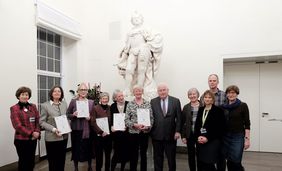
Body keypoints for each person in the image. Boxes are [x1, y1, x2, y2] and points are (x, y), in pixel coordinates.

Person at [117, 11, 163, 100]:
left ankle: (140, 89)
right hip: (132, 51)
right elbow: (127, 46)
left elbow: (154, 38)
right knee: (129, 70)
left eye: (138, 18)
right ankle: (127, 90)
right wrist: (124, 55)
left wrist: (146, 47)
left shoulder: (145, 29)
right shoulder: (130, 32)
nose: (136, 20)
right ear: (132, 21)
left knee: (141, 70)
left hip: (143, 51)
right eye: (134, 19)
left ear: (141, 19)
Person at [150, 83, 182, 171]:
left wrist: (178, 131)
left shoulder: (175, 101)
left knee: (171, 159)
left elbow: (179, 118)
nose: (162, 92)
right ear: (158, 92)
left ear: (168, 90)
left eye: (164, 90)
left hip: (171, 135)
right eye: (160, 90)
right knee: (157, 158)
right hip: (157, 135)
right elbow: (150, 117)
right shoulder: (153, 101)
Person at [10, 86, 41, 171]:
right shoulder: (14, 108)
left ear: (29, 96)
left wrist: (37, 132)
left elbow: (38, 121)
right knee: (23, 162)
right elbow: (17, 125)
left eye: (26, 94)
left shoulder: (33, 106)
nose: (25, 96)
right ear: (18, 96)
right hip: (21, 140)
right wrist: (32, 133)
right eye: (22, 94)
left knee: (31, 162)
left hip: (33, 139)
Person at [200, 74, 226, 171]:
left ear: (217, 82)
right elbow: (202, 111)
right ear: (208, 82)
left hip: (220, 131)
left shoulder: (224, 95)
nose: (212, 82)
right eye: (210, 80)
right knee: (209, 156)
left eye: (214, 80)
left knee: (220, 156)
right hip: (208, 132)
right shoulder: (203, 96)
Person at [194, 90, 225, 171]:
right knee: (201, 162)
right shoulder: (201, 110)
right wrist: (198, 136)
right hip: (200, 140)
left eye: (209, 97)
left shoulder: (218, 111)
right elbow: (197, 125)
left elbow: (220, 128)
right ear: (203, 99)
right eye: (206, 97)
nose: (207, 99)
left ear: (213, 99)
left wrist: (207, 138)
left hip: (212, 140)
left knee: (209, 162)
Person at [125, 85, 154, 171]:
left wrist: (148, 126)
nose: (138, 92)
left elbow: (151, 118)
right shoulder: (130, 104)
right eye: (136, 91)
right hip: (133, 133)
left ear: (142, 92)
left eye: (139, 91)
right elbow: (126, 120)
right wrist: (134, 125)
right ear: (133, 93)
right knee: (133, 154)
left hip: (144, 133)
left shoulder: (147, 103)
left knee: (143, 154)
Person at [40, 86, 68, 171]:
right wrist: (54, 129)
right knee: (53, 162)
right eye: (55, 91)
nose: (57, 93)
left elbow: (65, 118)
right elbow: (41, 122)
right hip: (52, 138)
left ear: (61, 93)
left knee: (62, 161)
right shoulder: (45, 105)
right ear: (51, 93)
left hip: (64, 137)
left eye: (59, 91)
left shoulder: (64, 104)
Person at [222, 85, 250, 171]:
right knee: (229, 159)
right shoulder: (223, 107)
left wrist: (247, 139)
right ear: (226, 94)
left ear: (237, 94)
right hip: (225, 136)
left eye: (233, 92)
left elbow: (247, 123)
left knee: (236, 159)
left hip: (238, 136)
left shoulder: (243, 105)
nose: (231, 94)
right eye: (229, 93)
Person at [67, 83, 94, 171]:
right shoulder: (73, 101)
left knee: (88, 148)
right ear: (78, 91)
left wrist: (90, 118)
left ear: (87, 91)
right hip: (76, 130)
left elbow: (94, 116)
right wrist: (73, 115)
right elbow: (67, 114)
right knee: (76, 149)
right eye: (81, 90)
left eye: (85, 90)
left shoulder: (91, 102)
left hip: (87, 130)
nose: (83, 91)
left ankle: (90, 166)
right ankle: (76, 168)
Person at [181, 88, 202, 171]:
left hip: (201, 134)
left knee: (201, 154)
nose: (192, 96)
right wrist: (183, 136)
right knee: (191, 155)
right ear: (188, 96)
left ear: (198, 95)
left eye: (194, 94)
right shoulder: (186, 107)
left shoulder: (203, 105)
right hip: (190, 134)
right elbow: (183, 123)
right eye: (190, 94)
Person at [91, 92, 112, 171]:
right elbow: (93, 122)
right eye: (103, 98)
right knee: (99, 156)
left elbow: (112, 121)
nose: (105, 100)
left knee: (108, 155)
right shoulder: (95, 108)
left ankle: (107, 169)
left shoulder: (110, 108)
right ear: (100, 99)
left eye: (106, 98)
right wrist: (100, 132)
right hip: (99, 136)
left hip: (108, 136)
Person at [110, 90, 130, 171]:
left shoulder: (129, 104)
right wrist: (111, 126)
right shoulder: (112, 106)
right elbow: (110, 118)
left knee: (125, 152)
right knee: (116, 152)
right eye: (119, 96)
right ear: (115, 98)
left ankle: (122, 168)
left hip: (126, 133)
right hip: (116, 134)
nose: (121, 97)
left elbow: (132, 117)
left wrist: (127, 126)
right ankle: (112, 168)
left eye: (122, 95)